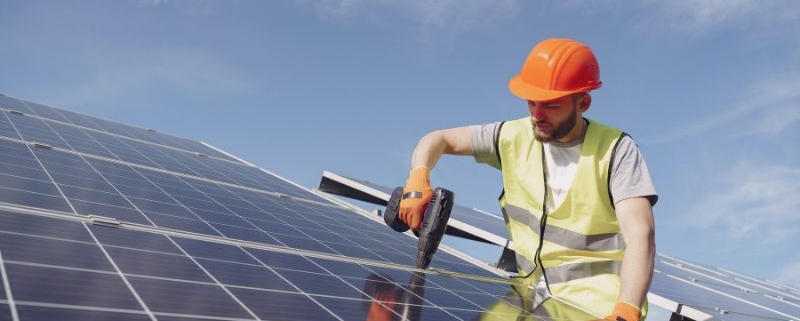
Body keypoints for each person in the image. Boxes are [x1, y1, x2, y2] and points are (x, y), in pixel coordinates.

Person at [397, 38, 657, 321]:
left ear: (583, 102)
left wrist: (626, 311)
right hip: (528, 295)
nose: (537, 115)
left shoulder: (616, 149)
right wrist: (418, 177)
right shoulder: (512, 136)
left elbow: (640, 235)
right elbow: (438, 139)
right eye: (531, 102)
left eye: (551, 105)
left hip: (594, 308)